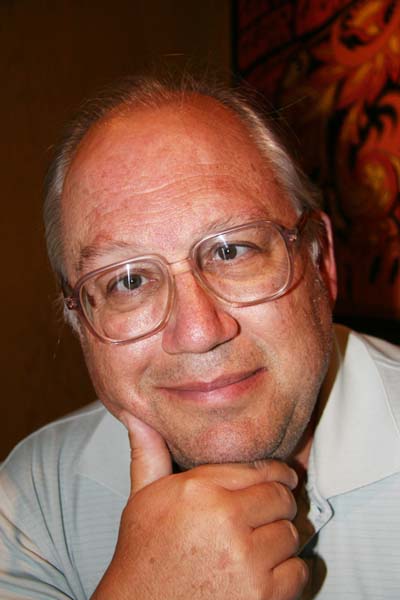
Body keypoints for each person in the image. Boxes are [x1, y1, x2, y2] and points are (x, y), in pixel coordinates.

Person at [1, 72, 399, 600]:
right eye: (128, 281)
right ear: (78, 320)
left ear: (320, 259)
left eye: (232, 250)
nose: (197, 332)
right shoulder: (35, 499)